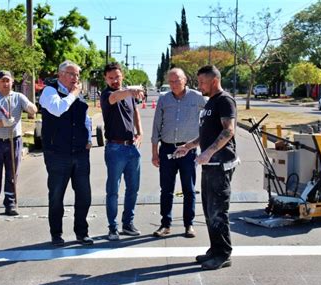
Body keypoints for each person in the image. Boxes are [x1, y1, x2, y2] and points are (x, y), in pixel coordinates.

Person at [173, 65, 238, 270]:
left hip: (220, 164)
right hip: (209, 164)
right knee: (209, 211)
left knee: (219, 211)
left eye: (202, 82)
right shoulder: (211, 102)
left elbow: (229, 131)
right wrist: (190, 146)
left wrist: (209, 152)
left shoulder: (225, 100)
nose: (199, 85)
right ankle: (214, 249)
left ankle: (223, 254)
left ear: (214, 81)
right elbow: (208, 133)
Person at [39, 60, 93, 247]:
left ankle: (82, 232)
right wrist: (72, 95)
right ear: (60, 74)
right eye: (71, 74)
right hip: (57, 154)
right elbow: (58, 109)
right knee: (56, 196)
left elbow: (86, 118)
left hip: (79, 153)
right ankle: (56, 234)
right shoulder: (49, 91)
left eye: (77, 75)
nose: (75, 78)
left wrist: (89, 139)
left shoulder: (78, 94)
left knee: (84, 195)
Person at [151, 68, 206, 238]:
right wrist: (154, 152)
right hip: (167, 149)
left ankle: (188, 225)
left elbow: (213, 112)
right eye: (171, 81)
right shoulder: (164, 99)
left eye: (177, 81)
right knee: (166, 189)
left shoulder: (197, 98)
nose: (174, 84)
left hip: (188, 151)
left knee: (188, 189)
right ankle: (165, 224)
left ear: (185, 80)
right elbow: (156, 126)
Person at [0, 70, 37, 217]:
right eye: (3, 81)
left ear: (12, 82)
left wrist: (32, 108)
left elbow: (32, 109)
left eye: (8, 80)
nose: (6, 83)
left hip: (14, 141)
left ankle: (10, 203)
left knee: (12, 174)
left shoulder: (18, 97)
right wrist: (2, 123)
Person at [101, 62, 144, 241]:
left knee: (133, 189)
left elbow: (135, 111)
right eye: (111, 78)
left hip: (132, 148)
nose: (114, 81)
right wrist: (131, 89)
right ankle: (113, 227)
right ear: (105, 79)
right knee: (113, 190)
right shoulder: (107, 95)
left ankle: (128, 224)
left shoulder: (128, 95)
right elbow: (117, 96)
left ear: (122, 76)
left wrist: (139, 132)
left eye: (117, 77)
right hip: (115, 148)